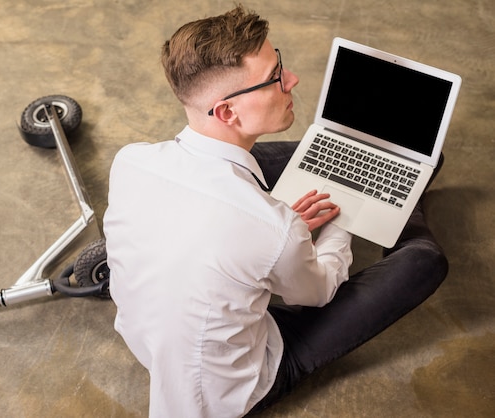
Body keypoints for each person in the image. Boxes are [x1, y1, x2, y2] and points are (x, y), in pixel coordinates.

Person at [103, 5, 448, 417]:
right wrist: (345, 204)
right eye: (274, 78)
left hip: (153, 343)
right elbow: (317, 292)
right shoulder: (275, 230)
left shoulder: (131, 160)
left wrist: (274, 228)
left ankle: (401, 178)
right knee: (425, 262)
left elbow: (235, 223)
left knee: (258, 158)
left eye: (278, 63)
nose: (292, 80)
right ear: (227, 110)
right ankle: (403, 190)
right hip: (233, 387)